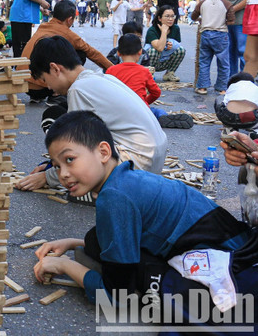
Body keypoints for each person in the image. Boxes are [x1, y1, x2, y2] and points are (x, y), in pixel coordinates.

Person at [35, 111, 258, 333]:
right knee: (94, 240)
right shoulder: (127, 178)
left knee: (139, 279)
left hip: (232, 266)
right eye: (56, 165)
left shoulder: (114, 198)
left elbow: (117, 297)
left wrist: (64, 264)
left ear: (103, 152)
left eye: (70, 160)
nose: (63, 174)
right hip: (239, 241)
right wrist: (75, 243)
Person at [16, 36, 167, 194]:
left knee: (78, 181)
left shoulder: (78, 90)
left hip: (137, 164)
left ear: (55, 69)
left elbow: (78, 149)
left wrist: (47, 177)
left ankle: (97, 193)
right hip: (154, 159)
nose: (48, 86)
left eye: (45, 80)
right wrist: (52, 164)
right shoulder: (103, 77)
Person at [20, 0, 113, 103]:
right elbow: (92, 53)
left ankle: (37, 96)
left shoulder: (44, 26)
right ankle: (56, 94)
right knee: (80, 53)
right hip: (45, 87)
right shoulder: (67, 33)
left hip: (26, 85)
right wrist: (114, 69)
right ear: (70, 19)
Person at [106, 34, 194, 129]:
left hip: (118, 113)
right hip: (141, 112)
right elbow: (156, 93)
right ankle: (161, 117)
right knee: (157, 111)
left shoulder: (111, 70)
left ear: (118, 53)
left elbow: (106, 94)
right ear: (140, 52)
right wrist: (144, 102)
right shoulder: (144, 71)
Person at [189, 0, 234, 95]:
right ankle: (222, 88)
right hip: (221, 35)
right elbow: (231, 21)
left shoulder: (202, 3)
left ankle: (202, 87)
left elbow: (193, 16)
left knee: (204, 61)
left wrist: (200, 19)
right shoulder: (227, 4)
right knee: (223, 63)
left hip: (205, 34)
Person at [212, 0, 251, 75]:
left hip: (243, 22)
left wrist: (232, 9)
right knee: (230, 53)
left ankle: (246, 80)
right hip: (230, 23)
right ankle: (233, 80)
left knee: (243, 52)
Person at [145, 4, 186, 82]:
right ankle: (149, 74)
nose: (170, 19)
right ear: (160, 18)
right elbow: (159, 48)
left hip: (165, 60)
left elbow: (176, 44)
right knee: (154, 51)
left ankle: (169, 73)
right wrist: (164, 31)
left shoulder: (175, 28)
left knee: (181, 50)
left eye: (172, 16)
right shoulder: (152, 30)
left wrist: (171, 45)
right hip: (152, 61)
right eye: (167, 16)